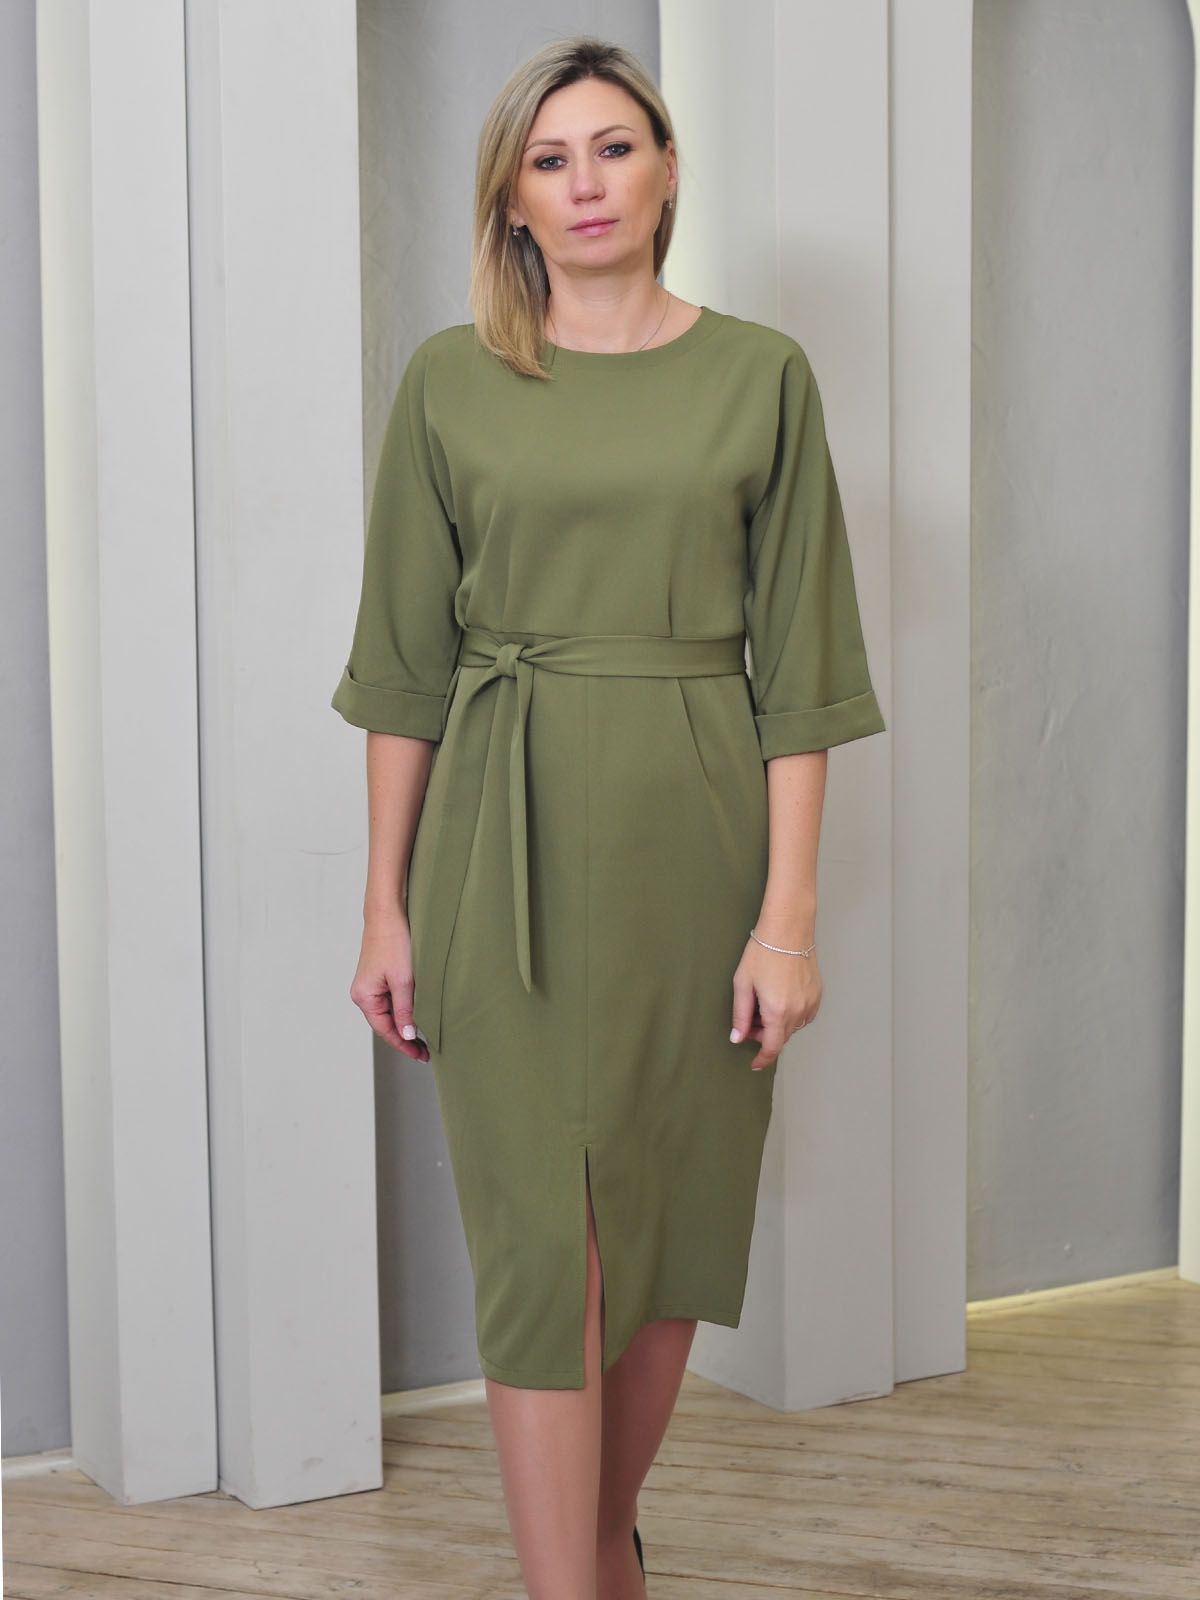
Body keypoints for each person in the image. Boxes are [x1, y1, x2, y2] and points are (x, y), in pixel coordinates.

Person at [331, 34, 886, 1600]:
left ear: (666, 171)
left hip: (695, 846)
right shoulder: (450, 380)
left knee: (663, 1226)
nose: (587, 184)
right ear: (510, 198)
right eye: (551, 158)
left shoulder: (762, 375)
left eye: (615, 147)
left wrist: (788, 923)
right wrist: (385, 906)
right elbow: (403, 669)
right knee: (540, 1251)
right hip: (494, 848)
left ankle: (602, 1538)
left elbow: (807, 673)